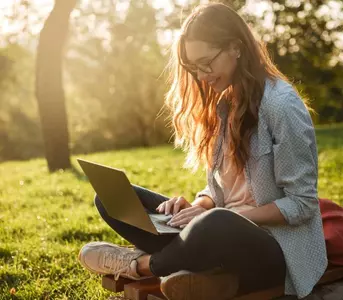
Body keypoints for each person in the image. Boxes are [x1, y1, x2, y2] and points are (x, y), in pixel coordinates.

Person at [78, 3, 328, 300]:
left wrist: (229, 214)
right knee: (112, 197)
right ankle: (200, 271)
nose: (202, 75)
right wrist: (200, 204)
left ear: (235, 48)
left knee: (216, 223)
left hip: (276, 250)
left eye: (206, 63)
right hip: (221, 232)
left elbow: (302, 204)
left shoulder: (281, 106)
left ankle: (141, 264)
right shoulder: (225, 103)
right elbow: (225, 187)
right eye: (194, 68)